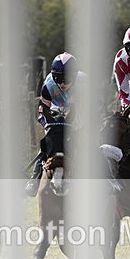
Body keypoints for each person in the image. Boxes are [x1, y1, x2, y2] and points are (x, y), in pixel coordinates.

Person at [25, 52, 84, 196]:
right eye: (59, 79)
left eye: (66, 79)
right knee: (51, 140)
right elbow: (41, 110)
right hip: (57, 109)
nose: (62, 83)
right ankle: (35, 176)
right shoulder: (49, 84)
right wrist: (47, 125)